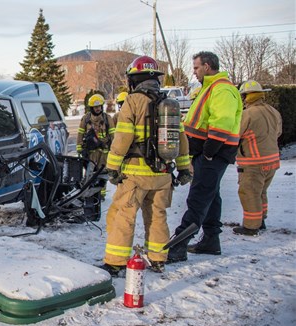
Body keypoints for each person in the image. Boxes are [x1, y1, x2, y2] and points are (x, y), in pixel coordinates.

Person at [100, 56, 191, 275]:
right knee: (157, 216)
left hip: (136, 174)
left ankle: (115, 262)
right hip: (163, 174)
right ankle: (158, 258)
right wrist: (185, 168)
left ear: (134, 80)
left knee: (123, 216)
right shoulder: (169, 103)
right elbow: (180, 137)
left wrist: (112, 167)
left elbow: (123, 137)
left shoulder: (133, 101)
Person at [167, 51, 243, 263]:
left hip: (213, 154)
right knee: (211, 196)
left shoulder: (222, 89)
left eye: (197, 68)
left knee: (198, 197)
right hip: (206, 153)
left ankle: (178, 246)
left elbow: (222, 123)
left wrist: (209, 152)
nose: (194, 72)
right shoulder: (209, 88)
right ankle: (211, 240)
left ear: (208, 66)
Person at [233, 80, 282, 236]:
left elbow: (236, 134)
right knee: (261, 191)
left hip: (253, 162)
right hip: (272, 160)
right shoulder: (273, 111)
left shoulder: (247, 114)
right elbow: (278, 132)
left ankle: (251, 226)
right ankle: (261, 220)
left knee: (249, 192)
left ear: (247, 96)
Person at [76, 93, 116, 199]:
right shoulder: (86, 119)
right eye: (95, 107)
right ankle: (87, 193)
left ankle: (101, 194)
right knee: (89, 173)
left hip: (104, 152)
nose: (98, 109)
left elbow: (113, 135)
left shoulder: (107, 119)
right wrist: (80, 148)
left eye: (99, 106)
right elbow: (80, 133)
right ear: (91, 107)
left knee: (102, 173)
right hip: (91, 152)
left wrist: (114, 149)